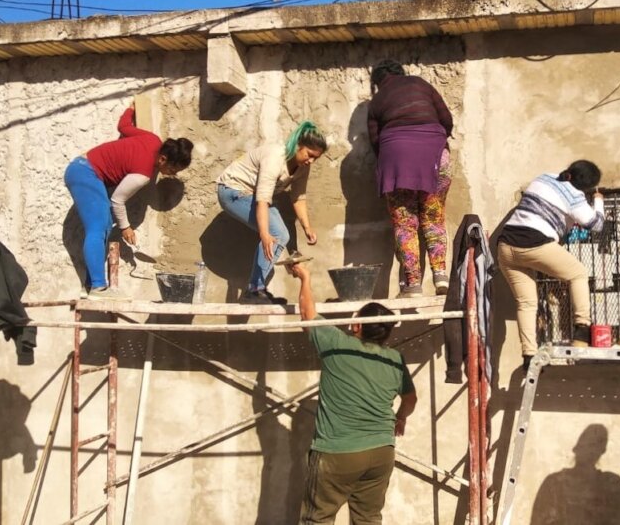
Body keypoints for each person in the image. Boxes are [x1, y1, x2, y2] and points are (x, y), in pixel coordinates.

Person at [288, 262, 417, 524]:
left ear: (358, 326)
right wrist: (400, 418)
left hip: (337, 453)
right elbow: (410, 398)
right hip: (381, 452)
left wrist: (305, 277)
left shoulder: (337, 344)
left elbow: (307, 313)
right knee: (368, 519)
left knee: (318, 518)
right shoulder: (394, 359)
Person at [65, 101, 193, 299]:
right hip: (85, 173)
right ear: (162, 160)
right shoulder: (143, 173)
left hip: (83, 170)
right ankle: (98, 288)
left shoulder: (152, 139)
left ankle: (90, 286)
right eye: (173, 170)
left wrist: (132, 108)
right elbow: (117, 200)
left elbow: (124, 127)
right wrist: (126, 227)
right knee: (98, 227)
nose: (171, 174)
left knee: (105, 227)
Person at [496, 161, 605, 369]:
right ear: (586, 187)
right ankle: (582, 326)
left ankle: (529, 355)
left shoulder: (544, 177)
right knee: (578, 274)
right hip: (534, 244)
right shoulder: (576, 197)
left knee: (526, 303)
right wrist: (598, 201)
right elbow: (596, 225)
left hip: (505, 248)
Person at [368, 59, 454, 298]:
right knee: (434, 218)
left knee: (406, 225)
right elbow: (446, 120)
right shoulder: (420, 84)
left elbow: (374, 142)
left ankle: (413, 285)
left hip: (396, 160)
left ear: (378, 82)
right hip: (436, 157)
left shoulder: (377, 100)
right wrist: (432, 143)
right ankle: (441, 276)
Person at [216, 122, 326, 304]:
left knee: (279, 234)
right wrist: (265, 233)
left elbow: (298, 197)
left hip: (253, 195)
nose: (311, 161)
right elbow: (262, 199)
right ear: (298, 145)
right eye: (310, 155)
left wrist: (307, 228)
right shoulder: (275, 157)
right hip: (232, 191)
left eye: (316, 158)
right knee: (278, 234)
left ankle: (255, 289)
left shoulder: (303, 167)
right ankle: (254, 291)